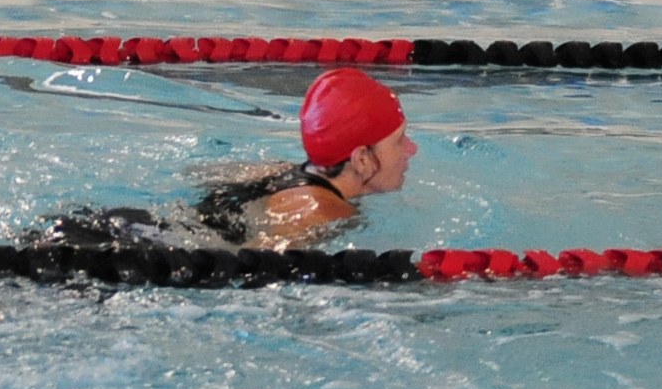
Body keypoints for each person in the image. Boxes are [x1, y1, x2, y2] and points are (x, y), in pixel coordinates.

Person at [35, 69, 417, 253]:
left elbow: (203, 176)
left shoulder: (278, 171)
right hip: (132, 248)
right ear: (362, 160)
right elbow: (253, 262)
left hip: (127, 222)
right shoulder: (325, 209)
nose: (411, 150)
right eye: (399, 141)